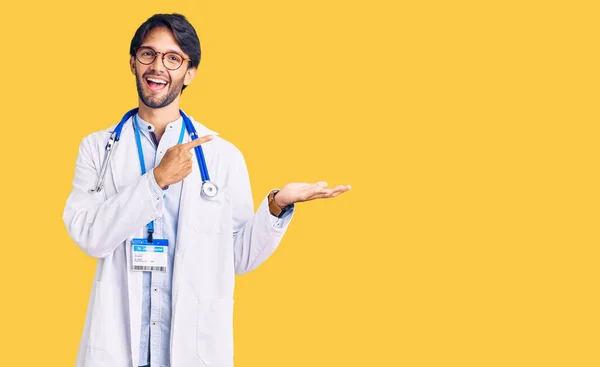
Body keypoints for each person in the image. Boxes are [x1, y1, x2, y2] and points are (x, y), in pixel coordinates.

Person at [62, 13, 350, 367]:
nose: (158, 67)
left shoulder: (221, 156)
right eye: (148, 54)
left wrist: (277, 204)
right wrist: (156, 180)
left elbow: (238, 258)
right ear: (133, 62)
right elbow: (90, 237)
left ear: (190, 72)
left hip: (191, 351)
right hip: (118, 348)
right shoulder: (98, 148)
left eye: (173, 58)